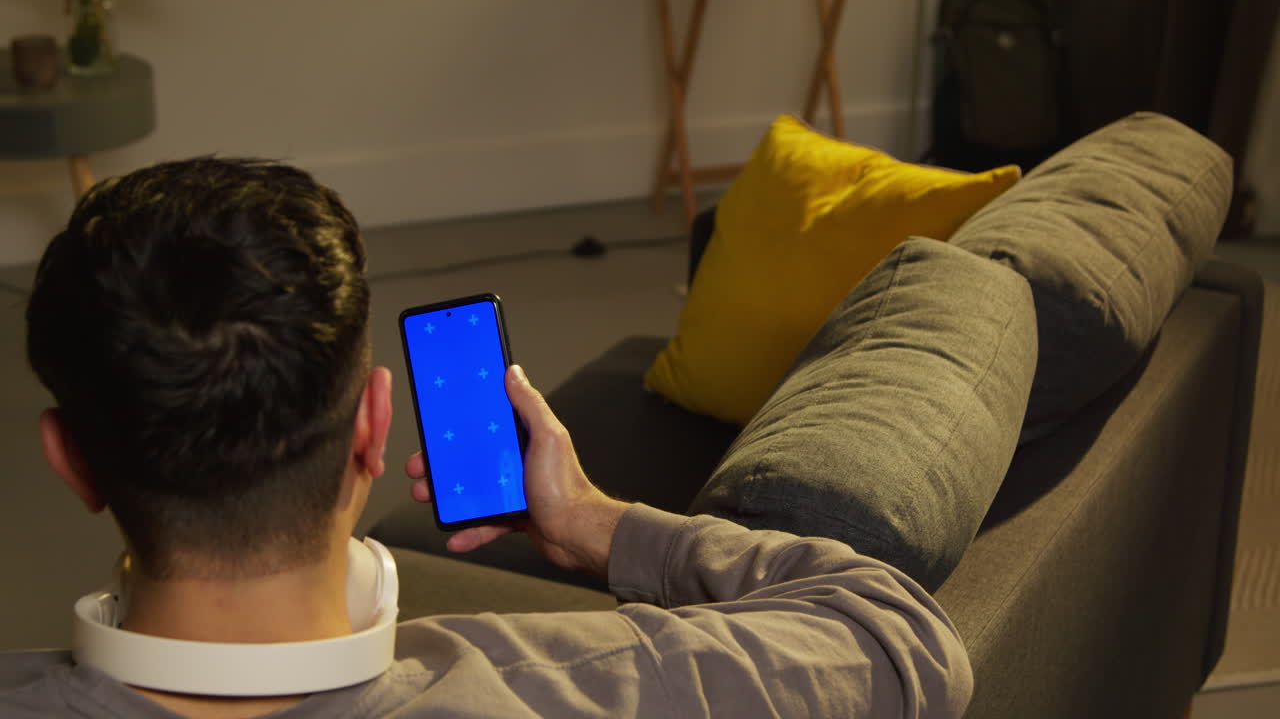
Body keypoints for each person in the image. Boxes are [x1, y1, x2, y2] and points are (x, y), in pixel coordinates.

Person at [2, 157, 972, 718]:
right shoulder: (571, 686)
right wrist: (591, 523)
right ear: (373, 426)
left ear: (69, 460)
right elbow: (894, 636)